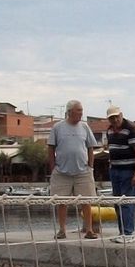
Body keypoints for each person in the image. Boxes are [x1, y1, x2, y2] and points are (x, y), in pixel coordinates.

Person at [48, 100, 100, 239]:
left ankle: (89, 230)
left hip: (83, 171)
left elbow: (90, 147)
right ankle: (62, 230)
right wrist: (53, 167)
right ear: (70, 111)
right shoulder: (57, 127)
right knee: (61, 202)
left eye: (82, 110)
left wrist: (91, 166)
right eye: (79, 110)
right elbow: (51, 147)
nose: (81, 113)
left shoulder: (85, 127)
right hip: (61, 172)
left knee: (86, 201)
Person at [104, 105, 135, 243]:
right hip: (115, 170)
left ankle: (128, 233)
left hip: (128, 171)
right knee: (117, 202)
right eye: (111, 118)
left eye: (116, 116)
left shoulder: (131, 130)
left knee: (127, 202)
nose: (114, 120)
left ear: (121, 115)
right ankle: (122, 232)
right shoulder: (109, 131)